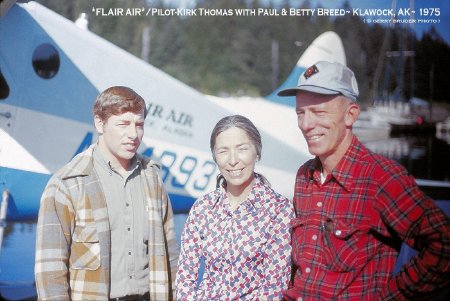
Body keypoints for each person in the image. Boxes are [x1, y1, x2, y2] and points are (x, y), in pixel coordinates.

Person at [277, 60, 450, 300]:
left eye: (318, 112)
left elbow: (444, 245)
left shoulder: (381, 178)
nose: (306, 124)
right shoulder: (304, 177)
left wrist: (390, 295)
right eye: (300, 113)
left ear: (351, 115)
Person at [35, 86, 179, 301]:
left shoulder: (153, 179)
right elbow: (50, 270)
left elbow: (171, 256)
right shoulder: (66, 184)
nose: (133, 134)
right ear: (99, 123)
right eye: (123, 124)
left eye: (139, 125)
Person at [175, 115, 294, 300]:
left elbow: (275, 285)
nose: (233, 160)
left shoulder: (278, 210)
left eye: (242, 149)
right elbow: (185, 277)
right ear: (215, 157)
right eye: (223, 151)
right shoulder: (203, 208)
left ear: (257, 152)